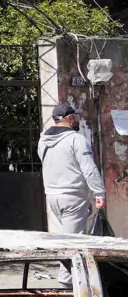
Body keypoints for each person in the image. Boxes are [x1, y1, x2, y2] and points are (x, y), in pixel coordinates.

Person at [39, 103, 105, 283]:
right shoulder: (76, 139)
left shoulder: (42, 140)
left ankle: (71, 282)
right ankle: (67, 285)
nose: (75, 120)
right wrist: (99, 193)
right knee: (74, 244)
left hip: (52, 197)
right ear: (69, 119)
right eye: (74, 117)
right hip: (73, 197)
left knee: (69, 237)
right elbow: (89, 169)